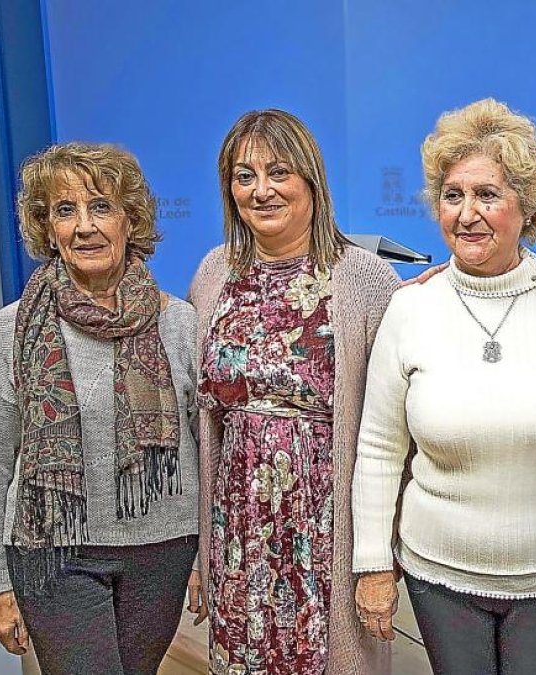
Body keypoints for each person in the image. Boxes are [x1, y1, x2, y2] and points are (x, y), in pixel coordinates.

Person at [351, 98, 536, 675]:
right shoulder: (410, 307)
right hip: (438, 574)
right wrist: (372, 565)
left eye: (487, 194)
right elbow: (379, 449)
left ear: (526, 205)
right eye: (452, 196)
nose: (467, 214)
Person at [0, 142, 202, 675]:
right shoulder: (12, 330)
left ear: (130, 220)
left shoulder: (180, 323)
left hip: (161, 552)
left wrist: (205, 555)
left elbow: (206, 451)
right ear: (47, 229)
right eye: (65, 210)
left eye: (101, 207)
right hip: (53, 553)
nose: (85, 226)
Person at [190, 109, 399, 675]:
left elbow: (391, 429)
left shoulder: (365, 279)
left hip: (326, 528)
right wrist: (200, 554)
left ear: (311, 179)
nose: (261, 191)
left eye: (278, 172)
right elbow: (203, 424)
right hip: (238, 530)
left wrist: (379, 557)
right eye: (244, 175)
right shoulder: (213, 274)